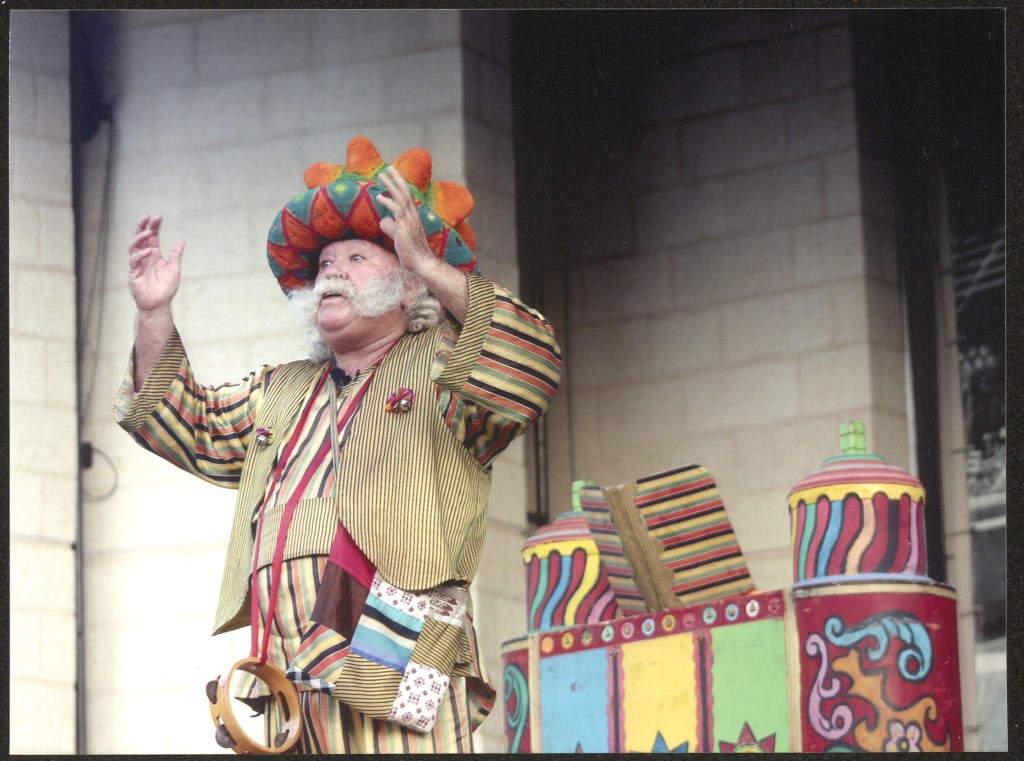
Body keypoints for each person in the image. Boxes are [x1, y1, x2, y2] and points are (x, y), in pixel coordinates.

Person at [114, 136, 562, 753]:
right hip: (287, 679)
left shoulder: (444, 368)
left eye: (356, 257)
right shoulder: (281, 389)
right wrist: (153, 313)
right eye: (324, 263)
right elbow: (180, 420)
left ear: (407, 286)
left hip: (400, 654)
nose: (332, 271)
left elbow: (530, 364)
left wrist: (431, 265)